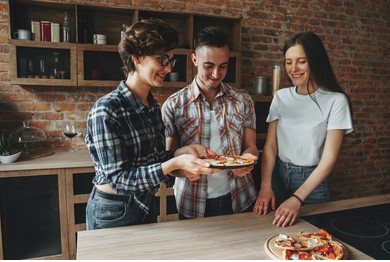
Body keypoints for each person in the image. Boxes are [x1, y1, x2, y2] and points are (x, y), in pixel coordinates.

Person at [85, 19, 220, 230]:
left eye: (170, 60)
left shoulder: (152, 106)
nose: (167, 68)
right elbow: (119, 180)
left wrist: (182, 154)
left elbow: (153, 161)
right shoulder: (107, 109)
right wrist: (175, 164)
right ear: (136, 58)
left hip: (145, 203)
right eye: (162, 59)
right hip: (112, 210)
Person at [253, 31, 353, 227]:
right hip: (277, 178)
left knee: (313, 243)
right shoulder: (281, 97)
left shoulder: (336, 101)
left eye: (301, 61)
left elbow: (329, 158)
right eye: (288, 62)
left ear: (316, 61)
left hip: (312, 185)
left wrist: (297, 198)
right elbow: (271, 146)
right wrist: (265, 186)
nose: (293, 68)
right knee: (271, 237)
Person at [161, 26, 258, 219]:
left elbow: (251, 147)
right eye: (208, 66)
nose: (216, 73)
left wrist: (248, 161)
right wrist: (186, 171)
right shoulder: (174, 105)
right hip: (193, 202)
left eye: (223, 66)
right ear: (194, 59)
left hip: (240, 197)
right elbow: (169, 161)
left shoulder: (243, 100)